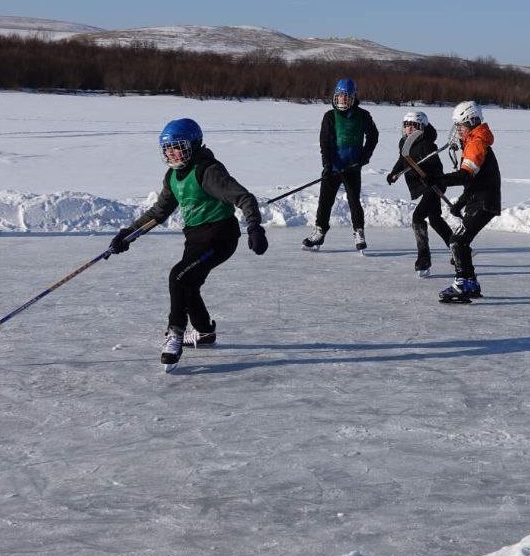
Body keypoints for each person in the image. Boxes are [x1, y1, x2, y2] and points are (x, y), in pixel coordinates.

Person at [110, 118, 269, 368]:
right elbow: (159, 212)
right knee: (189, 283)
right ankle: (204, 332)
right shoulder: (173, 176)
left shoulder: (208, 171)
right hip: (195, 239)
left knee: (178, 276)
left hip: (220, 237)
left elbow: (244, 197)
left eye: (177, 146)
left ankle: (175, 333)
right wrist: (128, 234)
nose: (171, 153)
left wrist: (254, 226)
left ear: (193, 145)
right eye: (167, 148)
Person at [302, 77, 379, 252]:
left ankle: (359, 232)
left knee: (354, 201)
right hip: (333, 167)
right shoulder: (330, 116)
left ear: (353, 97)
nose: (343, 99)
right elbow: (324, 142)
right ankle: (319, 232)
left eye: (347, 96)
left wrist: (364, 156)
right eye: (340, 96)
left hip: (352, 167)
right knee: (325, 201)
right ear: (336, 97)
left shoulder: (363, 116)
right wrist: (327, 164)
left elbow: (373, 136)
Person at [436, 101, 501, 302]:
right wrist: (461, 202)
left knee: (457, 241)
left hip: (484, 202)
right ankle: (471, 283)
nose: (458, 130)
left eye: (460, 126)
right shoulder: (474, 141)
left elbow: (466, 175)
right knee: (461, 242)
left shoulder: (477, 143)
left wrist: (440, 179)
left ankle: (461, 284)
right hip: (478, 201)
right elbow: (473, 182)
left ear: (472, 122)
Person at [385, 110, 453, 276]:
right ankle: (458, 247)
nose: (409, 128)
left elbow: (438, 169)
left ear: (421, 127)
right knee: (435, 219)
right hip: (422, 186)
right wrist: (394, 173)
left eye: (413, 125)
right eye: (406, 125)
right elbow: (403, 160)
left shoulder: (426, 144)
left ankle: (424, 259)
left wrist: (431, 177)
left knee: (417, 217)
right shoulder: (404, 143)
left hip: (434, 186)